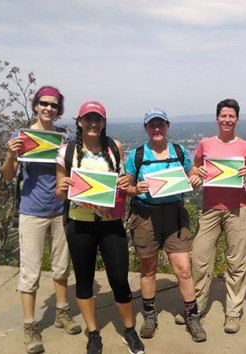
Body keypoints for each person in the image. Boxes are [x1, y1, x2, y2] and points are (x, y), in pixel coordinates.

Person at [54, 101, 145, 354]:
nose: (93, 124)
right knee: (84, 280)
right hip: (79, 223)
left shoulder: (114, 148)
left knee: (119, 279)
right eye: (88, 119)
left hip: (110, 224)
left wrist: (130, 184)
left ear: (104, 122)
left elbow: (121, 184)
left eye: (98, 119)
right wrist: (61, 189)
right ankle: (93, 333)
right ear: (79, 121)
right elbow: (60, 192)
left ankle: (129, 330)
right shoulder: (66, 152)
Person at [2, 86, 81, 354]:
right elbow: (7, 176)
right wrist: (12, 154)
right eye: (44, 103)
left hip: (60, 210)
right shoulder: (21, 136)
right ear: (36, 105)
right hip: (32, 211)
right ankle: (29, 326)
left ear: (59, 110)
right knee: (30, 272)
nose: (49, 108)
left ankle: (62, 312)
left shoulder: (64, 138)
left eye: (54, 105)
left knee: (61, 267)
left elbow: (73, 170)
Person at [124, 108, 206, 342]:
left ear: (167, 126)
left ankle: (192, 316)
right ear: (146, 128)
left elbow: (192, 177)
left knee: (184, 269)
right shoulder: (137, 155)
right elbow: (126, 187)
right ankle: (150, 315)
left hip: (174, 215)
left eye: (161, 125)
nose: (157, 129)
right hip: (145, 215)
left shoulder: (179, 151)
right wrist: (135, 189)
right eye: (152, 125)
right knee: (148, 269)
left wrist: (196, 179)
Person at [189, 98, 246, 333]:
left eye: (231, 116)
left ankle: (233, 313)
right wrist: (195, 172)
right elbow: (194, 167)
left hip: (238, 208)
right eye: (223, 116)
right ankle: (195, 309)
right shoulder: (205, 143)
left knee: (237, 262)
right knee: (199, 259)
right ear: (217, 118)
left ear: (237, 119)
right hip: (210, 208)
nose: (227, 120)